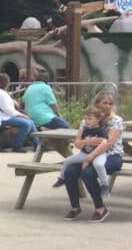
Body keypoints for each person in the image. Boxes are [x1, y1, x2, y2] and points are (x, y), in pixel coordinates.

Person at [60, 91, 124, 223]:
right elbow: (77, 143)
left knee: (87, 172)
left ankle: (100, 208)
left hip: (111, 156)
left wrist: (90, 157)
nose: (107, 106)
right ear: (97, 103)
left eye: (110, 104)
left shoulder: (116, 120)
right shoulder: (87, 120)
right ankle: (75, 207)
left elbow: (109, 143)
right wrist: (87, 142)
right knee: (70, 170)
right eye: (104, 103)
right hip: (88, 154)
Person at [52, 104, 111, 195]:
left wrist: (92, 155)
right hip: (85, 153)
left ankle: (104, 185)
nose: (86, 121)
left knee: (99, 165)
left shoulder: (101, 130)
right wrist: (87, 141)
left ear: (98, 119)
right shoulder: (85, 129)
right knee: (67, 160)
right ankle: (62, 178)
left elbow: (103, 144)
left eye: (90, 119)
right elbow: (78, 144)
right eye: (86, 118)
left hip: (98, 154)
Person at [0, 72, 37, 152]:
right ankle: (18, 145)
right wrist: (22, 115)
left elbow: (4, 106)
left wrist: (12, 100)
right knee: (26, 124)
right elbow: (9, 110)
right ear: (6, 83)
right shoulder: (2, 94)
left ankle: (37, 145)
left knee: (30, 122)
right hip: (2, 119)